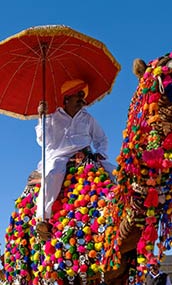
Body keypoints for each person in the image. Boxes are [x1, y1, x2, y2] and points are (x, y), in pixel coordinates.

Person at [34, 79, 114, 234]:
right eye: (78, 98)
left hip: (85, 156)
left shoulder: (88, 118)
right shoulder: (51, 117)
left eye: (82, 98)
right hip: (59, 156)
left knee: (113, 171)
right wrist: (41, 117)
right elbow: (42, 140)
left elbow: (101, 139)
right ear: (67, 99)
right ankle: (43, 219)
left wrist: (100, 154)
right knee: (53, 174)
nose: (82, 102)